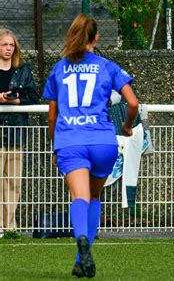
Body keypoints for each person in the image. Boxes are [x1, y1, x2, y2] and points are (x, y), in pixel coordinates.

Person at [43, 14, 138, 278]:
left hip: (70, 141)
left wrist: (55, 145)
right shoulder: (107, 66)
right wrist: (127, 126)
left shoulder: (59, 68)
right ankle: (80, 260)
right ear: (96, 37)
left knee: (80, 198)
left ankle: (81, 243)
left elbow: (52, 115)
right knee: (95, 197)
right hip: (102, 141)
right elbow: (132, 103)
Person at [0, 29, 39, 237]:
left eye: (11, 45)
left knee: (13, 180)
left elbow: (33, 96)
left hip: (15, 129)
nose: (8, 48)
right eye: (4, 44)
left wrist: (14, 100)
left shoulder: (22, 69)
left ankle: (9, 226)